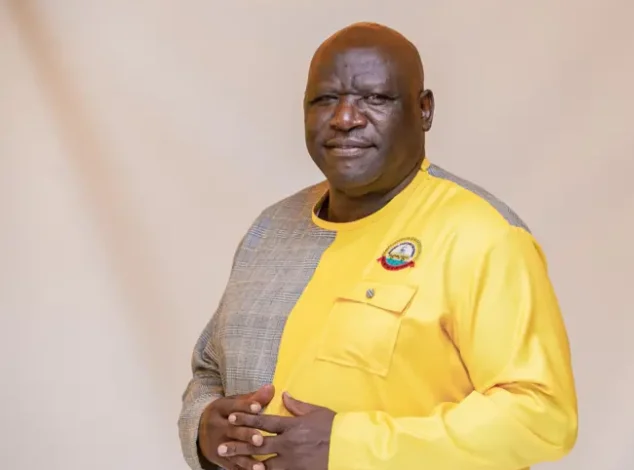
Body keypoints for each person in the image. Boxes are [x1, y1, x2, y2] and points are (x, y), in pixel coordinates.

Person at [178, 21, 578, 470]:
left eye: (374, 99)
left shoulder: (481, 235)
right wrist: (203, 428)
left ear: (424, 111)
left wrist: (350, 446)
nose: (344, 118)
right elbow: (209, 370)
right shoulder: (270, 230)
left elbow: (541, 415)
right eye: (325, 99)